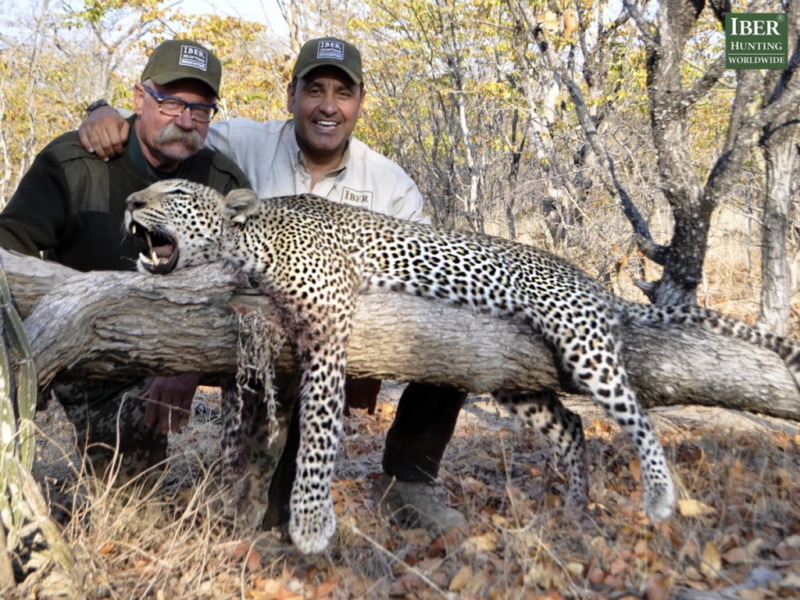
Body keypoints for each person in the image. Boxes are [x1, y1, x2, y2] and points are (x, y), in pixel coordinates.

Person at [78, 37, 468, 534]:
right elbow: (172, 123)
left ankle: (409, 479)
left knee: (463, 315)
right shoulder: (241, 142)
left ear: (360, 102)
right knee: (253, 514)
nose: (328, 106)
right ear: (291, 95)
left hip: (334, 335)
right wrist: (103, 111)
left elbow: (424, 276)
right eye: (315, 90)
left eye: (343, 93)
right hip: (241, 335)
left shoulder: (392, 187)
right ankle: (244, 497)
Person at [0, 40, 250, 485]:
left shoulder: (222, 180)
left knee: (273, 364)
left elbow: (249, 278)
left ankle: (255, 499)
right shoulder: (75, 162)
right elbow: (8, 250)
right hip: (91, 348)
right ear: (139, 98)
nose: (186, 121)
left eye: (201, 109)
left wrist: (186, 362)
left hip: (186, 341)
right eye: (172, 103)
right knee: (134, 494)